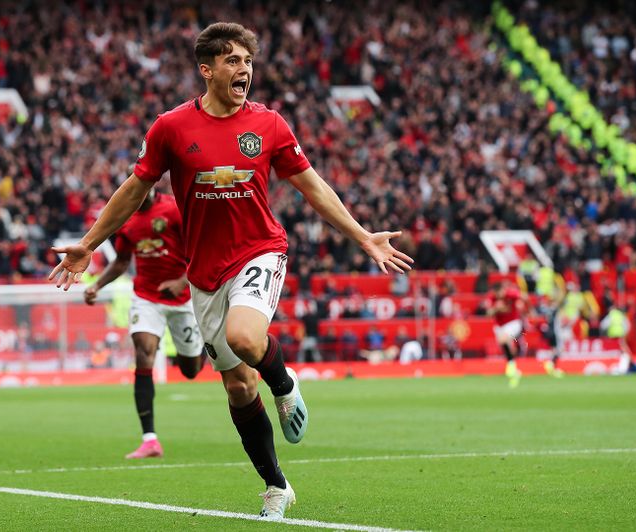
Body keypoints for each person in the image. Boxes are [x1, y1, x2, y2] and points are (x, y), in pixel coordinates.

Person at [49, 22, 412, 520]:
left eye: (248, 62)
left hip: (260, 251)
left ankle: (285, 386)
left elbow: (313, 187)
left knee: (245, 338)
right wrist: (90, 244)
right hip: (204, 274)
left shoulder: (269, 125)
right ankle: (277, 486)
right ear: (208, 69)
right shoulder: (171, 128)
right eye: (234, 62)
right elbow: (134, 190)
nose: (244, 71)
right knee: (239, 387)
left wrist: (363, 235)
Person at [83, 190, 206, 459]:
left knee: (190, 370)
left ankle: (203, 343)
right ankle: (150, 439)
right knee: (143, 352)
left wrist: (181, 282)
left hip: (182, 298)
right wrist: (97, 286)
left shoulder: (174, 210)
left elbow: (201, 249)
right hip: (146, 297)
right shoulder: (126, 220)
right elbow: (123, 262)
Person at [486, 281, 527, 387]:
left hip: (513, 322)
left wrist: (525, 309)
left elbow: (524, 298)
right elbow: (488, 313)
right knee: (504, 343)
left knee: (503, 339)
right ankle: (514, 367)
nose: (498, 295)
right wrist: (495, 309)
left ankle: (511, 364)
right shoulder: (492, 298)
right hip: (500, 325)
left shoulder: (511, 294)